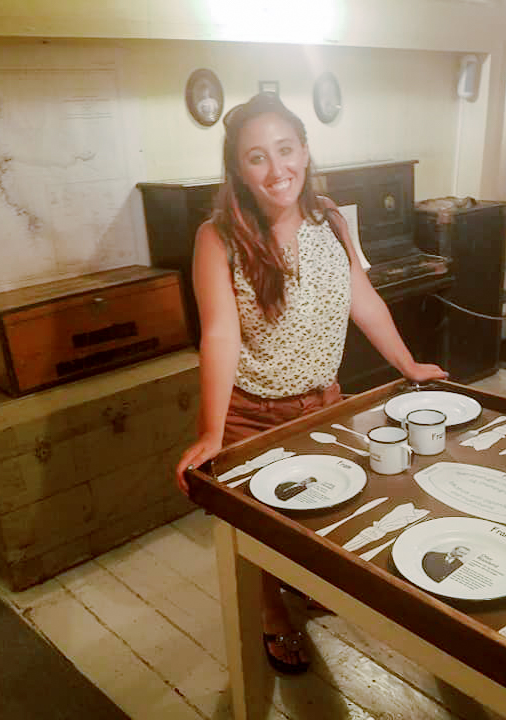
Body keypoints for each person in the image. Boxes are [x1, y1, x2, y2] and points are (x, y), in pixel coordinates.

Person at [174, 92, 446, 675]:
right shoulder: (217, 237)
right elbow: (219, 335)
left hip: (323, 405)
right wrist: (212, 430)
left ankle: (305, 585)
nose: (276, 170)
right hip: (252, 415)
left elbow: (362, 300)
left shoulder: (330, 217)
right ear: (237, 168)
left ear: (304, 149)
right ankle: (273, 614)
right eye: (256, 157)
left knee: (323, 513)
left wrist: (409, 365)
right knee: (259, 532)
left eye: (285, 149)